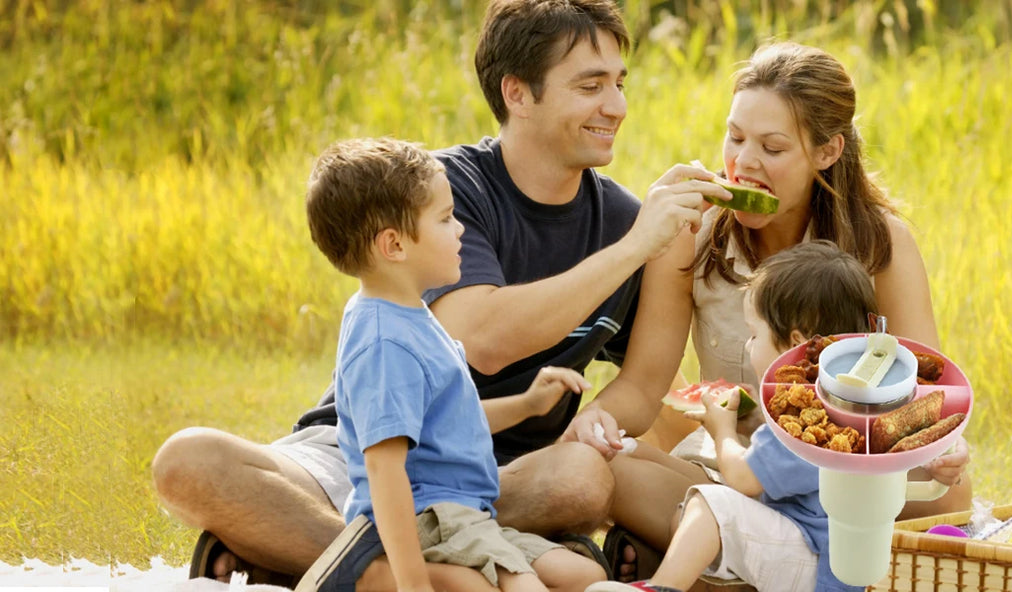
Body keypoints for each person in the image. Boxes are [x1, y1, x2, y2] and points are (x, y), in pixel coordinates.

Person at [150, 0, 728, 584]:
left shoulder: (626, 219)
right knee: (189, 462)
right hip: (359, 462)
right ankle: (395, 575)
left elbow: (648, 381)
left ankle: (289, 553)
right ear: (518, 94)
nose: (617, 107)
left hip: (493, 474)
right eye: (590, 86)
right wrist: (634, 247)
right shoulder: (440, 194)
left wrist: (597, 420)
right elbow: (482, 339)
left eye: (619, 84)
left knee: (581, 477)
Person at [559, 42, 973, 581]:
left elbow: (927, 394)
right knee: (599, 464)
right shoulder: (693, 234)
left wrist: (936, 449)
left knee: (950, 494)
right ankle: (729, 555)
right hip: (738, 472)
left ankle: (703, 556)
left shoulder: (880, 244)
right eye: (734, 138)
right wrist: (593, 424)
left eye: (772, 148)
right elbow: (644, 385)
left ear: (827, 152)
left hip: (846, 483)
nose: (743, 162)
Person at [292, 137, 603, 592]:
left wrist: (527, 405)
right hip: (428, 519)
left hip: (466, 515)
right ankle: (376, 577)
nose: (460, 230)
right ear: (393, 245)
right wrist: (412, 584)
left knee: (585, 575)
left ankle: (433, 577)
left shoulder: (412, 315)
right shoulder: (385, 342)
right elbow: (384, 470)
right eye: (445, 219)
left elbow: (450, 420)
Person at [589, 242, 963, 592]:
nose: (750, 347)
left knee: (712, 504)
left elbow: (742, 478)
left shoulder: (810, 418)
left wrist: (721, 430)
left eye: (754, 336)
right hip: (825, 554)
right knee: (670, 487)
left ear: (796, 343)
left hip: (815, 564)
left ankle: (661, 587)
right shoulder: (860, 403)